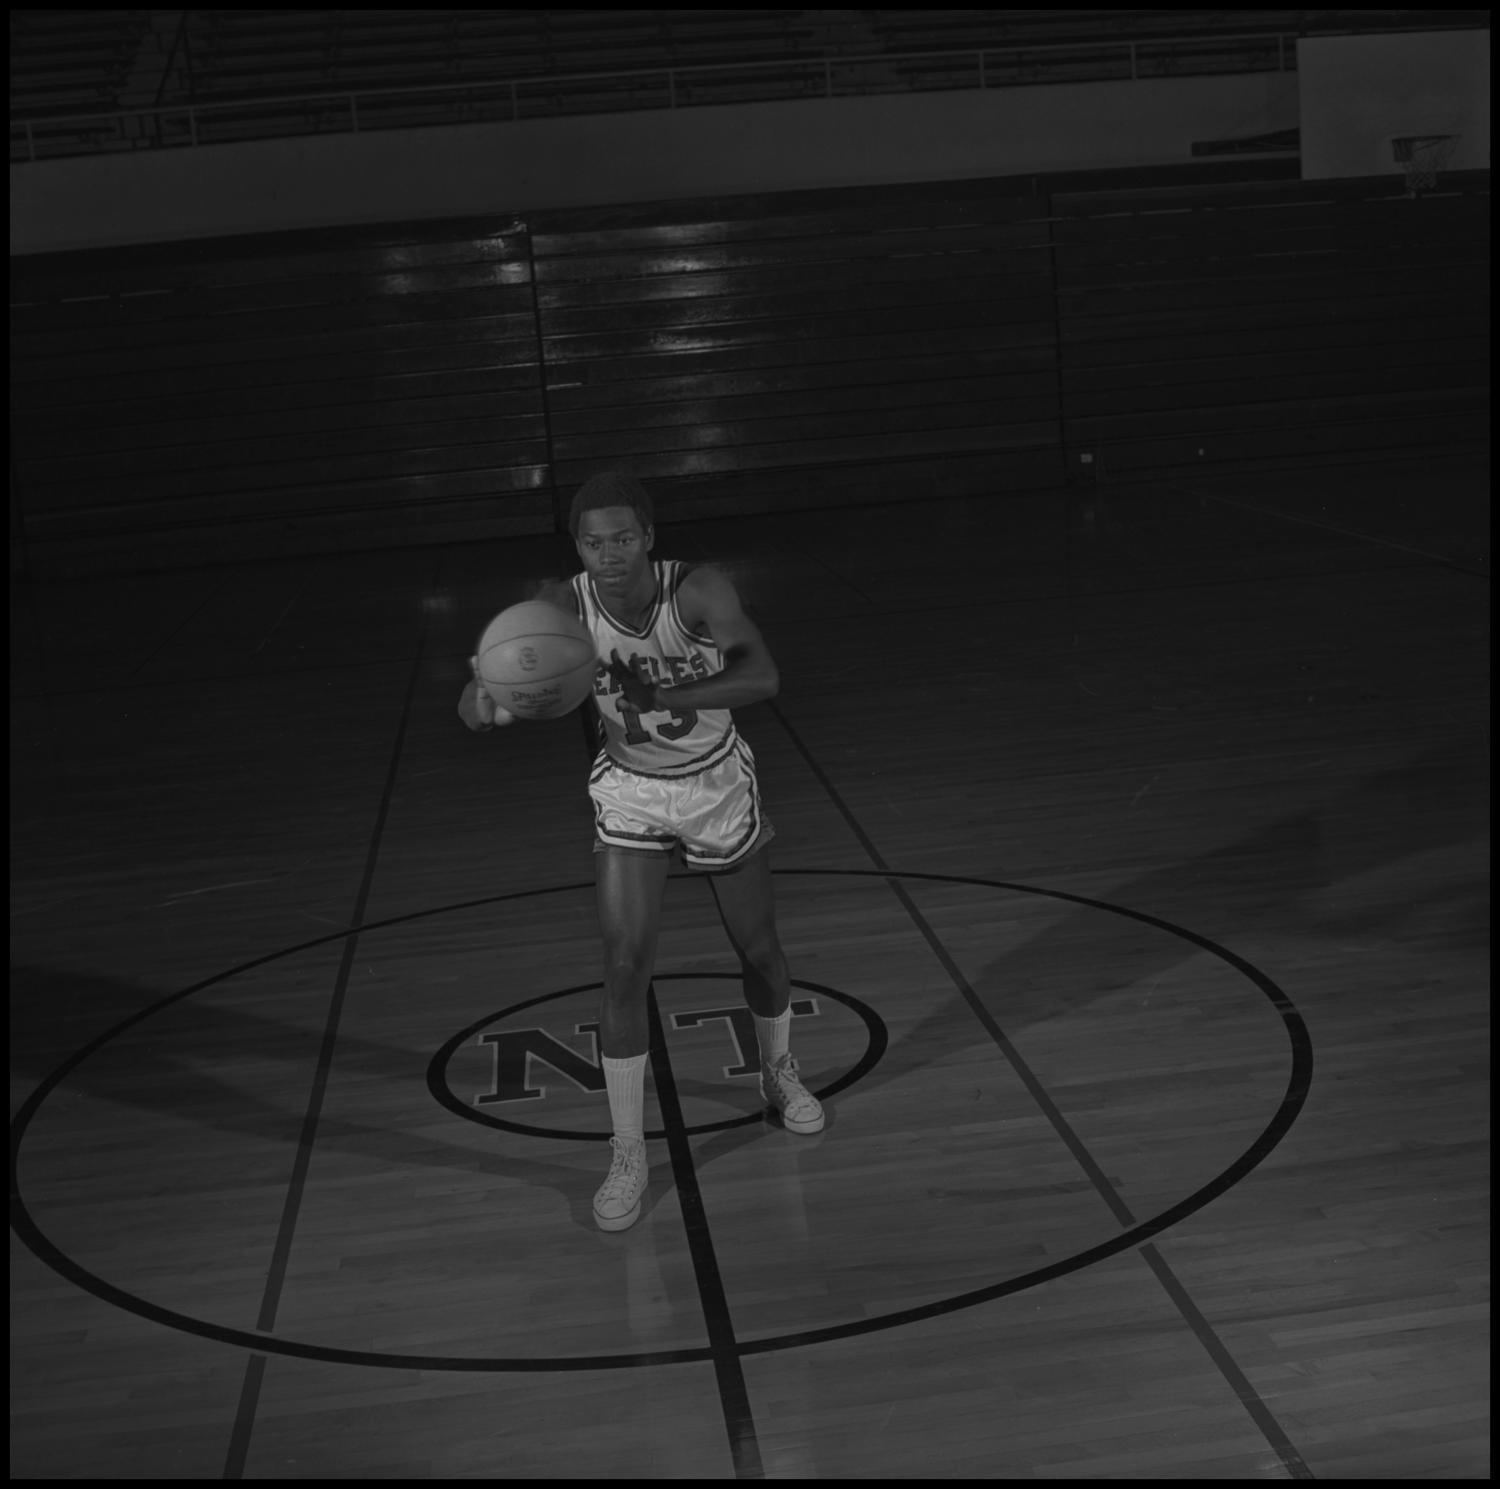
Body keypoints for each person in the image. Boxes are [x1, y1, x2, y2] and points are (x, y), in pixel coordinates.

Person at [458, 470, 823, 1232]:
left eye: (623, 538)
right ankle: (627, 1150)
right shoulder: (563, 608)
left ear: (649, 538)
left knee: (758, 949)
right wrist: (492, 694)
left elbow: (763, 675)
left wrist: (669, 697)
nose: (609, 554)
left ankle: (778, 1070)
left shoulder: (695, 589)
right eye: (594, 541)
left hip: (716, 781)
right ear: (579, 546)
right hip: (630, 789)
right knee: (624, 962)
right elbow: (477, 706)